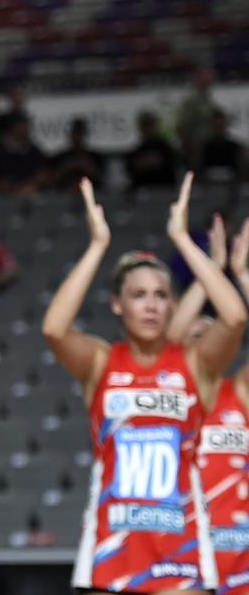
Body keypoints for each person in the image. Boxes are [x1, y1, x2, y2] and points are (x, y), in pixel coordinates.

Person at [42, 175, 244, 594]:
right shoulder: (101, 362)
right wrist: (97, 245)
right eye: (138, 294)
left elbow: (235, 318)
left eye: (160, 295)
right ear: (117, 304)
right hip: (111, 554)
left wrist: (185, 242)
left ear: (173, 305)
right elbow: (55, 329)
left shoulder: (194, 365)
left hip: (183, 551)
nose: (151, 304)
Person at [166, 216, 249, 595]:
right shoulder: (166, 400)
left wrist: (242, 276)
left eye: (208, 334)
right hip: (182, 550)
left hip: (241, 554)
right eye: (192, 336)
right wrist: (209, 272)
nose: (201, 344)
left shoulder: (240, 394)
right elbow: (171, 336)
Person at [126, 111, 178, 191]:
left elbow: (170, 164)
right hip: (143, 190)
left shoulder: (165, 147)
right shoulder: (138, 150)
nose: (148, 129)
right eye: (146, 126)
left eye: (150, 125)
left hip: (164, 189)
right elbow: (131, 168)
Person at [51, 118, 105, 191]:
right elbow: (51, 180)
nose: (77, 138)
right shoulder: (60, 157)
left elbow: (103, 180)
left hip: (91, 195)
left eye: (79, 134)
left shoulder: (95, 157)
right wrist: (67, 168)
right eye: (75, 134)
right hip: (64, 196)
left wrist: (88, 168)